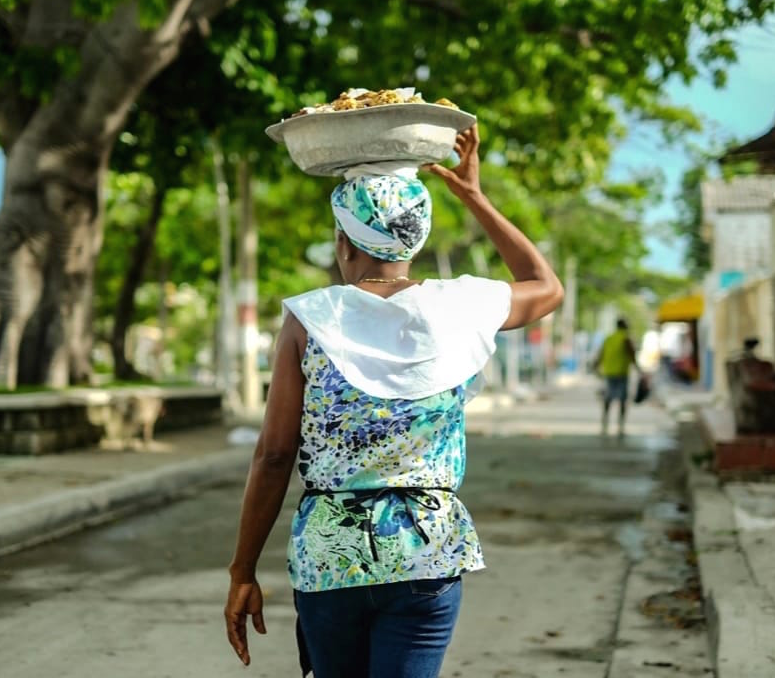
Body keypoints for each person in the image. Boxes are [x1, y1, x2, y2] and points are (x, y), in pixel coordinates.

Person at [223, 126, 563, 678]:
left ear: (345, 242)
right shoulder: (463, 306)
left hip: (331, 557)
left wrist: (243, 571)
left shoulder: (311, 318)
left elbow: (275, 455)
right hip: (427, 550)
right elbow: (543, 283)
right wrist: (474, 195)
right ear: (416, 239)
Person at [595, 318, 643, 436]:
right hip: (621, 373)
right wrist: (638, 369)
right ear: (625, 327)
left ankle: (604, 425)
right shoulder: (626, 339)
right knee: (622, 400)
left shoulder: (609, 338)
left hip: (609, 372)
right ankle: (620, 427)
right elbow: (632, 355)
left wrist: (596, 367)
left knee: (608, 399)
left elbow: (601, 354)